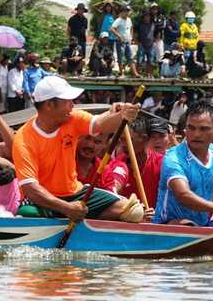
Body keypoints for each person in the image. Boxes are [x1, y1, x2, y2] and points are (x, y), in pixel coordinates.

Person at [12, 76, 142, 221]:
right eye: (67, 101)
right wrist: (66, 208)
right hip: (42, 199)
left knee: (134, 212)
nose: (72, 105)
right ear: (49, 105)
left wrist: (123, 115)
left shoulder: (73, 119)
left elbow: (102, 123)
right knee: (29, 214)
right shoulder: (24, 139)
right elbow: (31, 189)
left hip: (74, 193)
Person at [152, 101, 213, 226]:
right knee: (189, 226)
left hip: (202, 224)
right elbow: (184, 196)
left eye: (204, 129)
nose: (196, 134)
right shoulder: (174, 157)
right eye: (191, 128)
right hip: (169, 224)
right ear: (185, 129)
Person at [97, 118, 162, 214]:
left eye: (128, 140)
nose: (123, 145)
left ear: (144, 138)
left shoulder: (161, 163)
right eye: (122, 140)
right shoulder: (115, 164)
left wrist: (156, 214)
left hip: (155, 223)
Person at [135, 9, 157, 77]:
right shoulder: (139, 24)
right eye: (145, 16)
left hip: (150, 45)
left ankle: (151, 75)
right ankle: (137, 75)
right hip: (141, 45)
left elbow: (158, 33)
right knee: (139, 62)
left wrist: (156, 42)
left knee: (151, 62)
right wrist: (136, 41)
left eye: (148, 16)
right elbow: (132, 31)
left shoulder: (153, 24)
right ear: (143, 17)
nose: (147, 17)